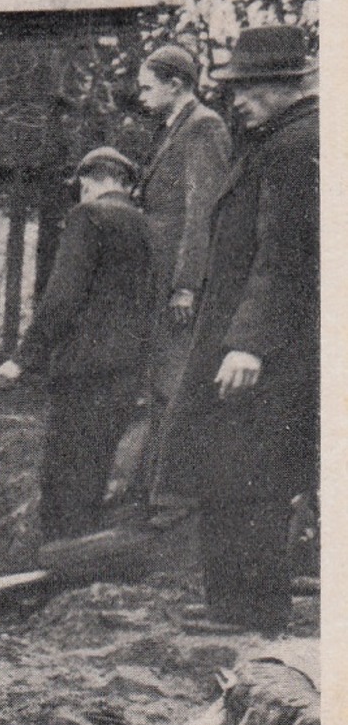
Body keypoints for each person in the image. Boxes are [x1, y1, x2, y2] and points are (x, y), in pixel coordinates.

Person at [161, 25, 319, 634]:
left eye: (252, 87)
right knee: (232, 465)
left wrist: (249, 342)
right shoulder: (273, 140)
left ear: (288, 86)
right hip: (242, 335)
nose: (239, 99)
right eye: (235, 87)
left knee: (249, 470)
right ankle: (234, 603)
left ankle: (249, 610)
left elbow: (284, 256)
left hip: (262, 347)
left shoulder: (296, 146)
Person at [0, 147, 155, 540]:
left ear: (88, 182)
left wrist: (23, 358)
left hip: (84, 367)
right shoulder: (145, 225)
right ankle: (81, 557)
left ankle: (54, 561)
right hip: (129, 367)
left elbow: (62, 296)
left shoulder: (89, 217)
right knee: (95, 465)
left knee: (64, 469)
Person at [133, 44, 233, 512]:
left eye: (147, 87)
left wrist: (187, 286)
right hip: (160, 283)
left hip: (179, 288)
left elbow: (202, 215)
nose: (141, 96)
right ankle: (159, 492)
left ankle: (175, 499)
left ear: (176, 84)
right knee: (161, 384)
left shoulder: (203, 128)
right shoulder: (175, 129)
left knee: (174, 385)